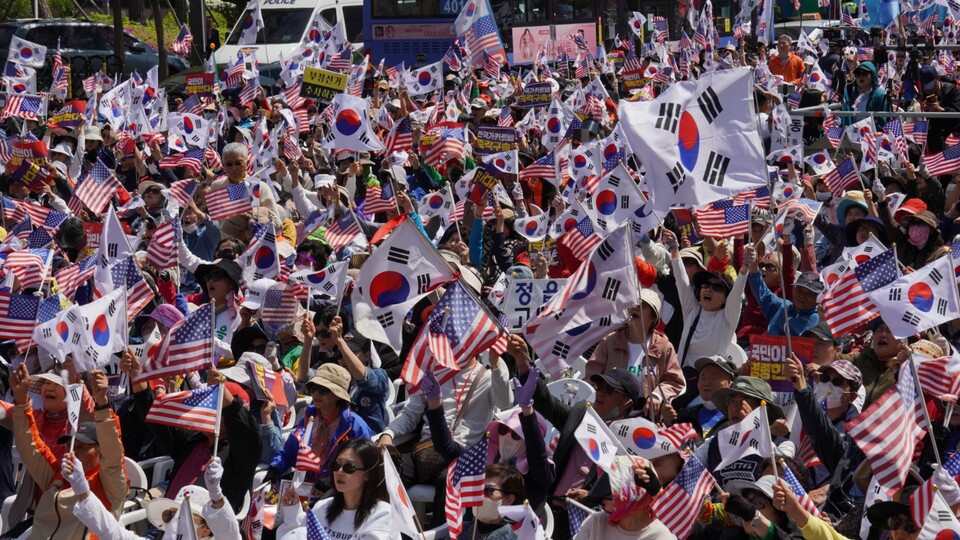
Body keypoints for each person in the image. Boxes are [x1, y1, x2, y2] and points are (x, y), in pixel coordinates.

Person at [7, 365, 127, 540]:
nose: (73, 452)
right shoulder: (57, 475)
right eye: (70, 445)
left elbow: (113, 452)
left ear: (100, 451)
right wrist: (21, 400)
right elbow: (30, 447)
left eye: (81, 447)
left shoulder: (111, 486)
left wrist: (101, 402)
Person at [268, 364, 373, 492]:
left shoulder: (355, 426)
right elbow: (290, 452)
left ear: (337, 395)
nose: (316, 394)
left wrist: (331, 483)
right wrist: (275, 468)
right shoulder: (309, 417)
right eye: (313, 388)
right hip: (305, 487)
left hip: (337, 493)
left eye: (323, 390)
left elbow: (363, 468)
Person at [585, 289, 684, 419]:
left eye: (643, 305)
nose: (635, 307)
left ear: (653, 317)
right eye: (633, 303)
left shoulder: (664, 346)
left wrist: (657, 395)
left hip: (648, 416)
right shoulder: (610, 341)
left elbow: (675, 381)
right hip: (611, 413)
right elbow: (591, 377)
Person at [276, 438, 395, 539]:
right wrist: (293, 511)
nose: (339, 471)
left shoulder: (383, 514)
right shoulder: (322, 507)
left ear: (368, 474)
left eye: (349, 467)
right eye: (336, 465)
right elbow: (298, 535)